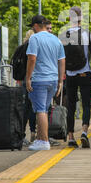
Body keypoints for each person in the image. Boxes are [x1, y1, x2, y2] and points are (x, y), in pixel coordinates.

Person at [60, 6, 91, 149]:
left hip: (70, 74)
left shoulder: (64, 34)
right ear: (81, 18)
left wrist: (62, 73)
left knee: (70, 106)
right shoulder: (87, 34)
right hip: (85, 73)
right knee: (86, 104)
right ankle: (84, 132)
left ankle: (70, 137)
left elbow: (61, 57)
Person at [26, 15, 65, 151]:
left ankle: (44, 141)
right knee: (45, 109)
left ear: (36, 26)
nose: (32, 29)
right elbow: (62, 61)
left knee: (40, 110)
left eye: (32, 26)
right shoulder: (56, 40)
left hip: (39, 79)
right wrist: (60, 81)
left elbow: (32, 59)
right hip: (53, 80)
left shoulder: (34, 38)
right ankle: (41, 138)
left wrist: (28, 78)